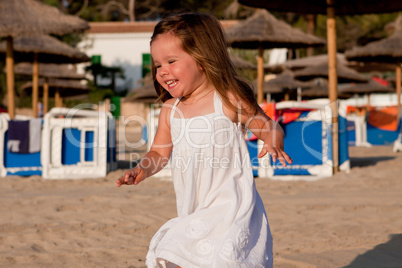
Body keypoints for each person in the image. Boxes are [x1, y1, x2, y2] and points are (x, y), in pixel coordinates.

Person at [116, 12, 292, 268]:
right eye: (157, 65)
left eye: (171, 61)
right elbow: (159, 154)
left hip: (231, 207)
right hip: (193, 210)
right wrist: (141, 170)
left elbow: (267, 125)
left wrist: (274, 139)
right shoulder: (170, 110)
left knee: (183, 253)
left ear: (202, 59)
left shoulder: (228, 101)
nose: (163, 72)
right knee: (180, 257)